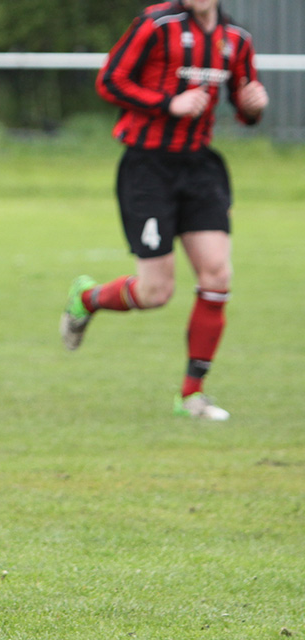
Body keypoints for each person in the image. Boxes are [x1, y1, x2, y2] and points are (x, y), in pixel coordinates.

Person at [61, 0, 268, 420]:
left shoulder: (236, 39)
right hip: (148, 167)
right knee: (155, 292)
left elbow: (244, 105)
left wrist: (253, 105)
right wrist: (167, 103)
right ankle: (86, 298)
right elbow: (109, 81)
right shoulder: (156, 25)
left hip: (200, 167)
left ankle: (192, 395)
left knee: (217, 274)